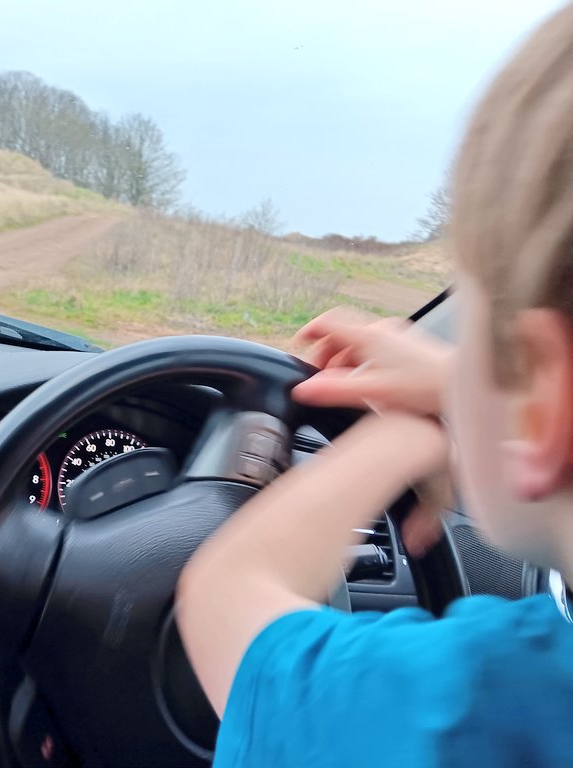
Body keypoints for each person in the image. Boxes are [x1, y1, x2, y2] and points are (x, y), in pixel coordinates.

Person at [175, 4, 573, 766]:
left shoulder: (478, 704)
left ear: (547, 400)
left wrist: (408, 433)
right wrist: (476, 388)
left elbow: (227, 592)